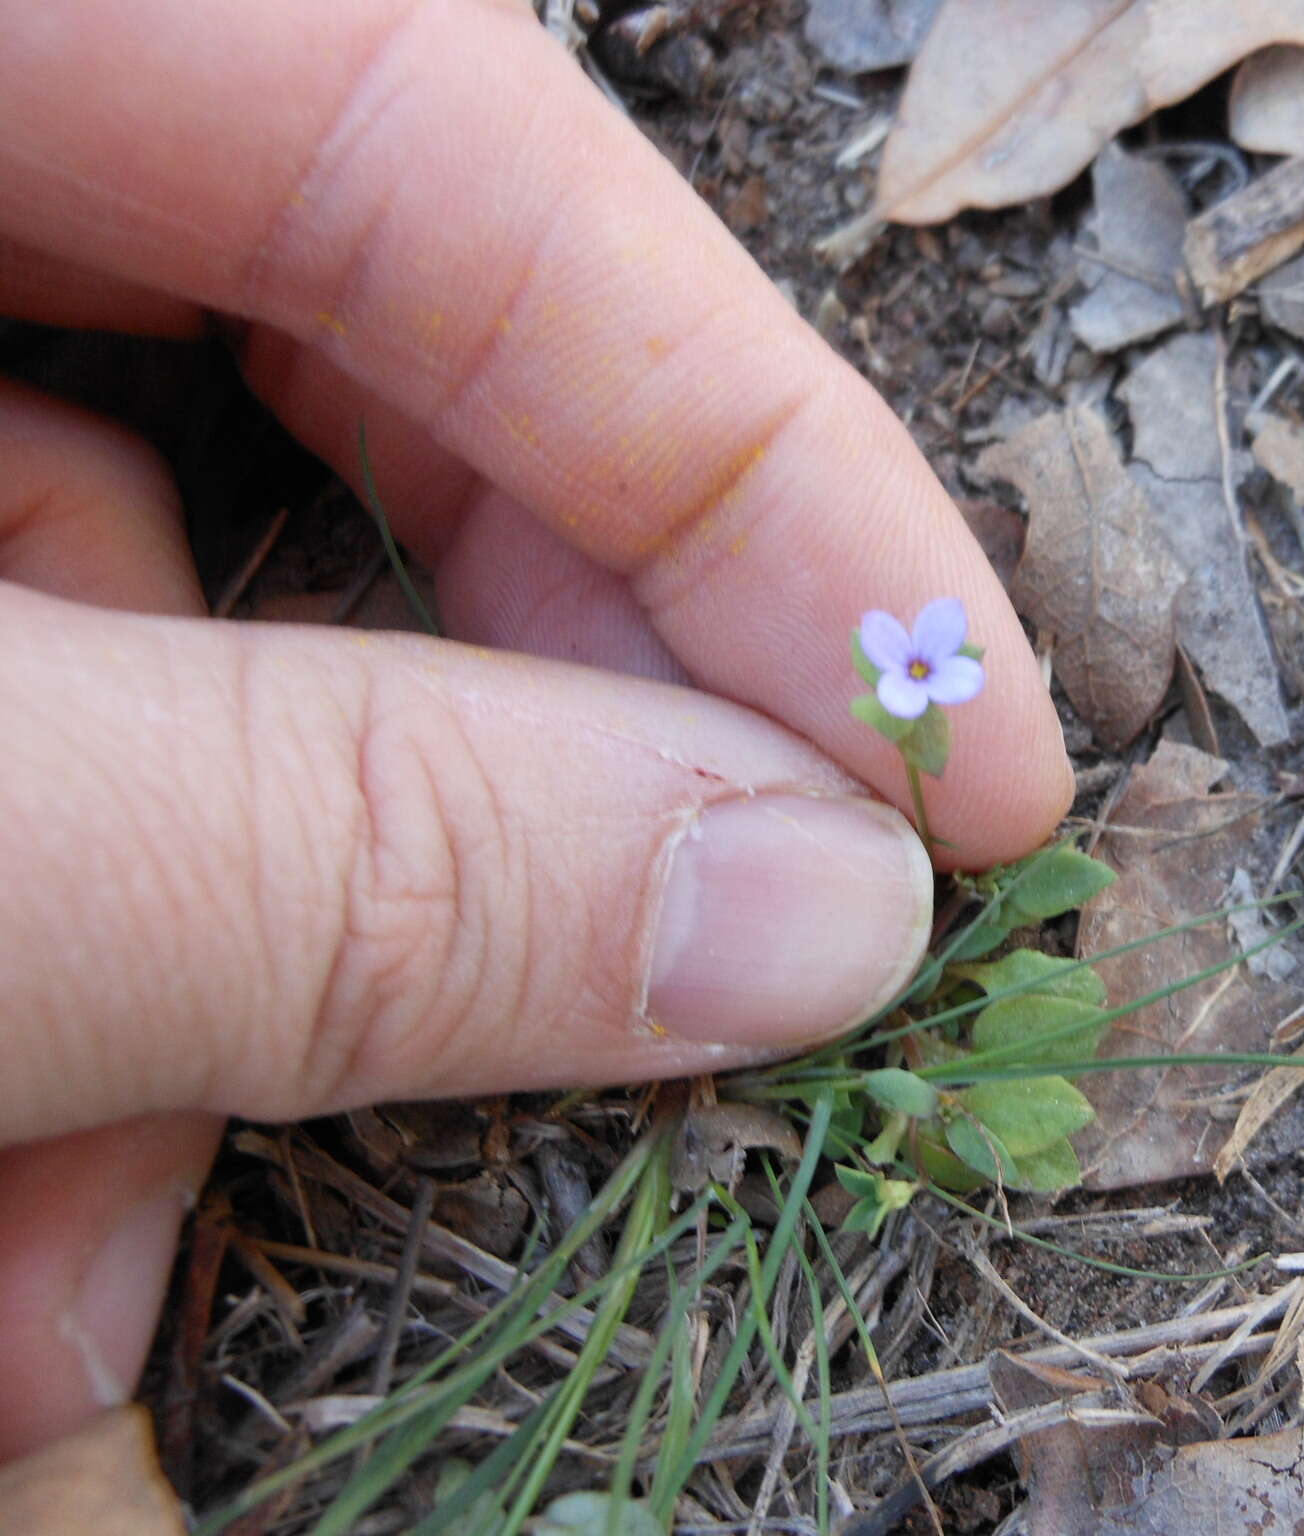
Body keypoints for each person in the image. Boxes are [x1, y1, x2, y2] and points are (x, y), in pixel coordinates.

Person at [0, 0, 1071, 1464]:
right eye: (920, 673)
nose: (922, 679)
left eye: (926, 679)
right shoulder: (897, 674)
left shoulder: (914, 684)